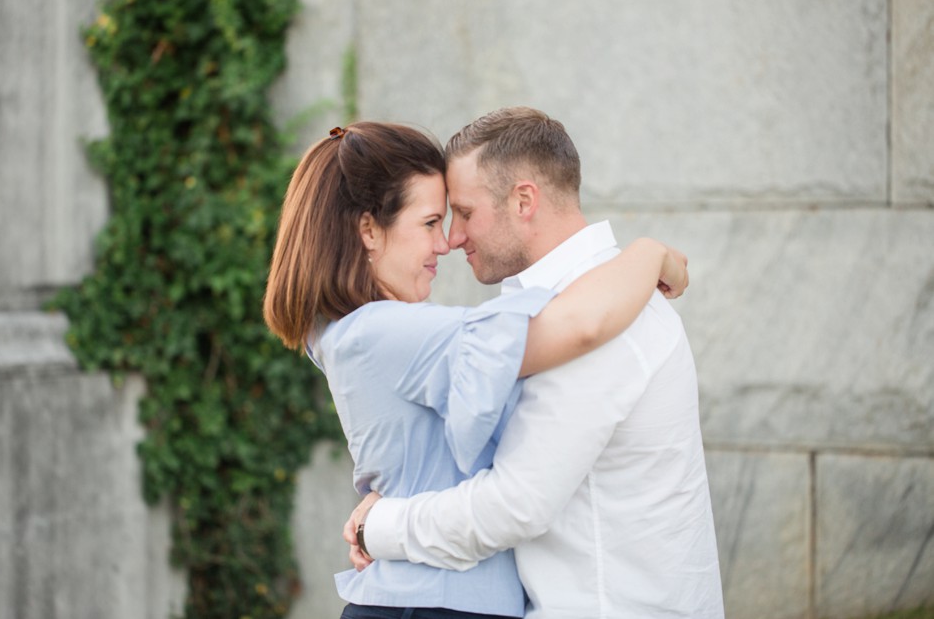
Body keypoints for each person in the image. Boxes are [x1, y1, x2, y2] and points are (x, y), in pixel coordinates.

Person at [263, 121, 689, 619]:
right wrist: (648, 252)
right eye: (431, 223)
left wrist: (382, 513)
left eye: (457, 217)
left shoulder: (360, 333)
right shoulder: (385, 332)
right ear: (368, 231)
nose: (445, 243)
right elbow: (580, 325)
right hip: (429, 606)